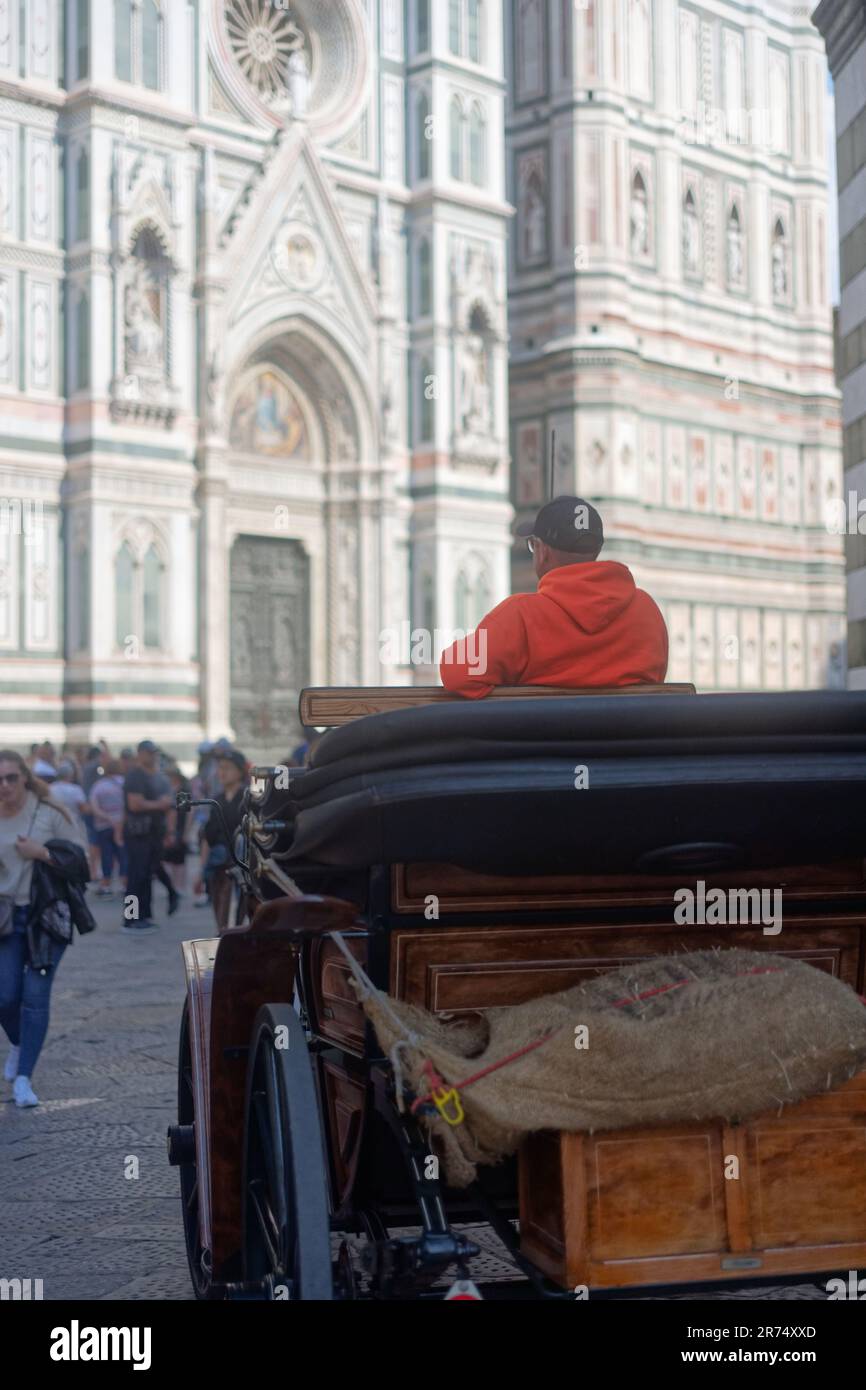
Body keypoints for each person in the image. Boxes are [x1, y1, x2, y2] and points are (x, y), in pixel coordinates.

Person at [439, 496, 669, 698]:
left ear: (542, 551)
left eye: (533, 545)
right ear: (597, 549)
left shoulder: (521, 617)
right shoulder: (646, 612)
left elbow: (456, 673)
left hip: (544, 747)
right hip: (630, 746)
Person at [0, 749, 90, 1107]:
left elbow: (81, 863)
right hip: (6, 917)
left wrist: (42, 853)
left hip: (46, 917)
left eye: (10, 777)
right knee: (6, 996)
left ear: (24, 777)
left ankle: (24, 1078)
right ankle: (21, 1043)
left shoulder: (50, 812)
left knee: (35, 996)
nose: (4, 786)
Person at [121, 741, 173, 933]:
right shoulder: (135, 775)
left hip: (153, 834)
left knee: (145, 877)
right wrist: (159, 804)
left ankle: (144, 915)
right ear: (141, 754)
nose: (153, 756)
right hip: (137, 834)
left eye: (154, 753)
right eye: (149, 753)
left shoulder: (157, 776)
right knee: (136, 877)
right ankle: (131, 918)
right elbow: (135, 804)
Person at [195, 748, 248, 935]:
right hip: (219, 867)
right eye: (220, 768)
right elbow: (207, 839)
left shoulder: (248, 798)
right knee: (220, 913)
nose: (222, 772)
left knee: (239, 915)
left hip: (243, 868)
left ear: (240, 771)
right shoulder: (215, 800)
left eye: (227, 768)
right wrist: (201, 871)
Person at [89, 759, 127, 894]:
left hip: (103, 826)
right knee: (123, 854)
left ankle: (106, 884)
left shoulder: (98, 786)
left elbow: (94, 807)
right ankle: (125, 883)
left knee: (106, 854)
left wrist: (107, 817)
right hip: (122, 824)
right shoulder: (125, 783)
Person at [50, 761, 90, 833]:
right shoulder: (76, 789)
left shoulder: (50, 788)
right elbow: (83, 809)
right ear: (71, 775)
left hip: (53, 825)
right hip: (73, 824)